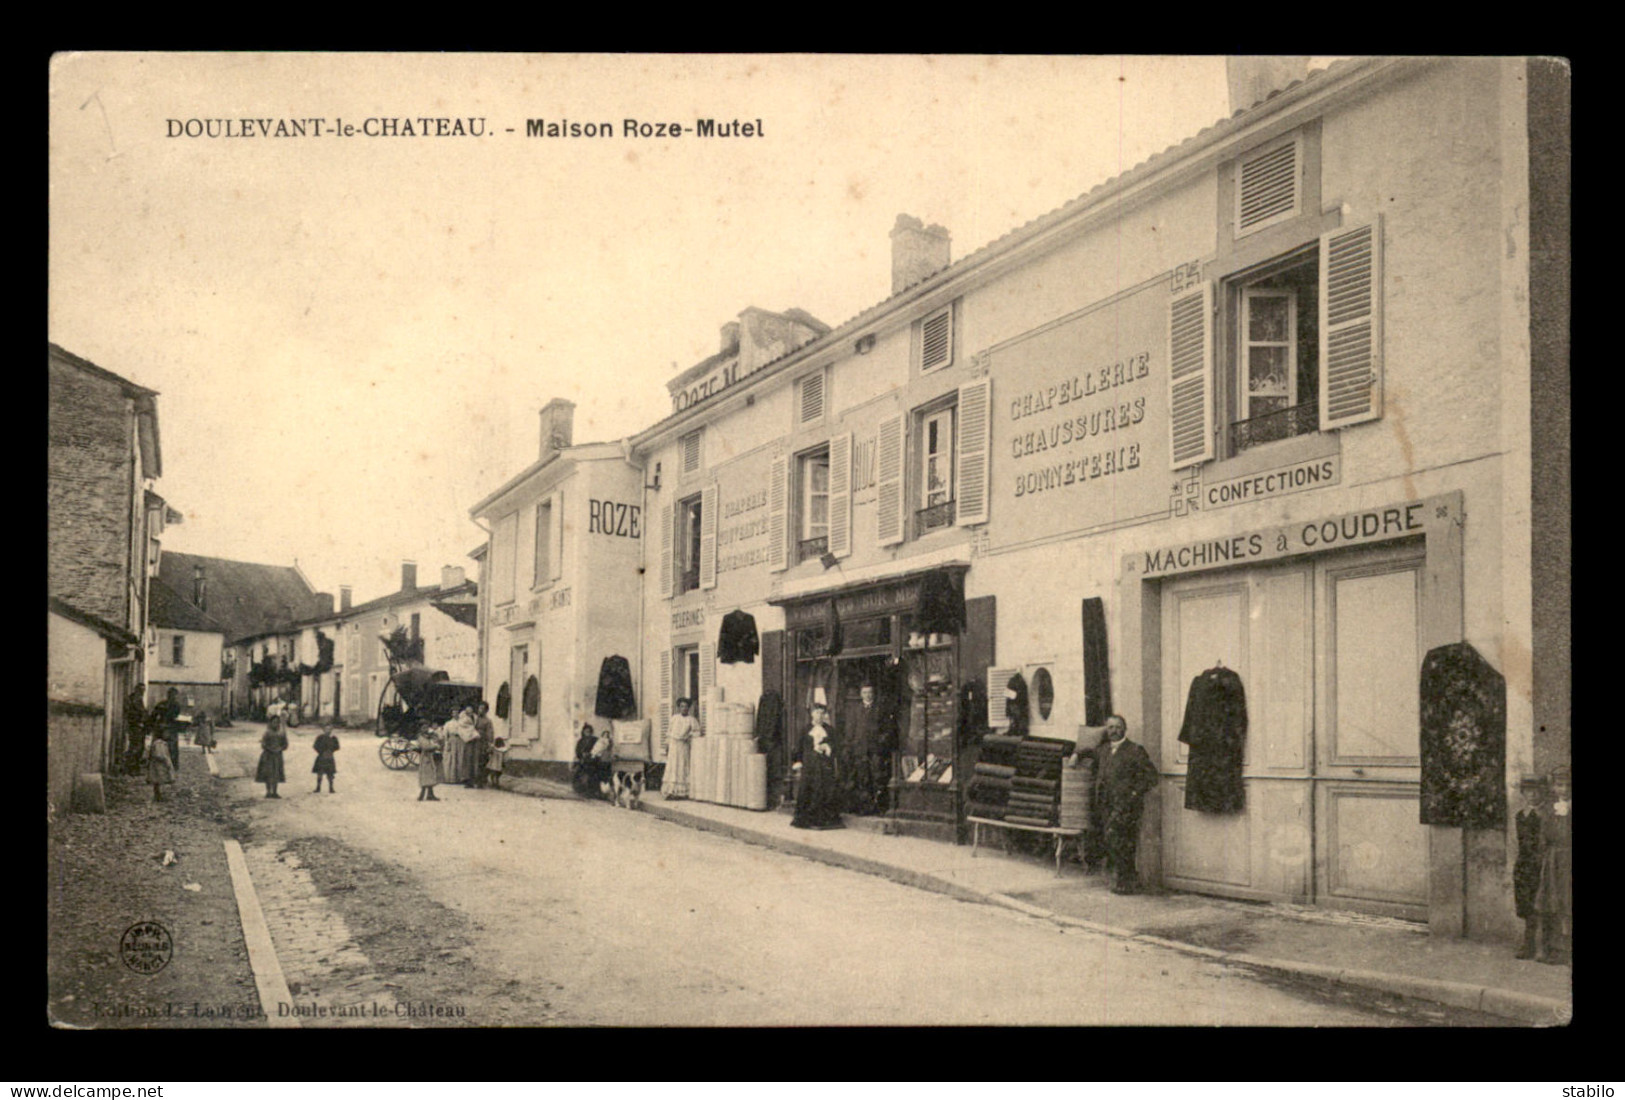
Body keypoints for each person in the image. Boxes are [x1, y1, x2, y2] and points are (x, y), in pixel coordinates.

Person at [1094, 714, 1159, 894]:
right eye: (1110, 727)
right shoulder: (1104, 750)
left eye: (1117, 727)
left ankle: (1127, 883)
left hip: (1127, 806)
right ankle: (1120, 880)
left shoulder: (1135, 750)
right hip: (1107, 805)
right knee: (1112, 842)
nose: (1114, 731)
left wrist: (1133, 794)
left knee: (1125, 843)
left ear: (1125, 729)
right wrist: (1076, 754)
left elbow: (1151, 776)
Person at [791, 703, 844, 830]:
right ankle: (808, 819)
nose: (819, 716)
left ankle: (826, 819)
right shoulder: (805, 730)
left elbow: (837, 746)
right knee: (810, 789)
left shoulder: (830, 730)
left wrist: (827, 747)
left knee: (826, 789)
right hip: (810, 766)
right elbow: (798, 748)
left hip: (825, 766)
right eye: (817, 713)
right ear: (812, 714)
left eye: (822, 713)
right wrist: (798, 762)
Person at [664, 697, 698, 800]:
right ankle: (670, 791)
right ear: (679, 707)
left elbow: (697, 732)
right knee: (673, 766)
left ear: (689, 708)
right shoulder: (674, 718)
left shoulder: (691, 720)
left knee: (682, 766)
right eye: (682, 706)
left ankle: (682, 793)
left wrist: (689, 735)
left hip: (683, 746)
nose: (684, 708)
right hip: (674, 745)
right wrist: (667, 745)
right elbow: (669, 733)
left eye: (686, 706)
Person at [256, 715, 288, 799]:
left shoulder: (281, 733)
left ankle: (275, 792)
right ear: (270, 723)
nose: (276, 724)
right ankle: (268, 791)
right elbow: (263, 744)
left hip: (277, 756)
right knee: (268, 773)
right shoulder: (267, 733)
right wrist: (270, 749)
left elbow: (285, 744)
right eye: (274, 722)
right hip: (268, 756)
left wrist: (280, 748)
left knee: (276, 773)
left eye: (277, 722)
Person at [155, 687, 184, 771]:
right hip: (168, 728)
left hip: (167, 728)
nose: (174, 697)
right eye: (173, 695)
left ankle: (170, 765)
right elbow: (156, 714)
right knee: (165, 747)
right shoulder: (172, 705)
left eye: (175, 695)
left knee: (168, 747)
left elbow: (155, 715)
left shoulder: (168, 704)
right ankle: (169, 765)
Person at [453, 707, 481, 788]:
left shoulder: (475, 718)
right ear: (466, 712)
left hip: (475, 742)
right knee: (467, 761)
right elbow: (464, 727)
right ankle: (467, 780)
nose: (470, 713)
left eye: (471, 711)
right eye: (468, 711)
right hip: (467, 741)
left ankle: (474, 779)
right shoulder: (463, 719)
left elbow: (474, 726)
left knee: (474, 761)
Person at [416, 723, 445, 801]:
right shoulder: (421, 738)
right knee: (426, 776)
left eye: (426, 728)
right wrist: (435, 746)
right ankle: (422, 794)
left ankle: (430, 794)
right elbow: (426, 747)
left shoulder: (428, 736)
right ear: (420, 729)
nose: (425, 729)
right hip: (425, 758)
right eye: (423, 728)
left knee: (431, 775)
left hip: (430, 757)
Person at [146, 731, 175, 802]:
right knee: (160, 779)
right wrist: (166, 760)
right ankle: (158, 795)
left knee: (157, 780)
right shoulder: (159, 744)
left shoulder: (160, 743)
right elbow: (159, 754)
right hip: (160, 764)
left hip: (157, 764)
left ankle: (158, 795)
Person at [473, 702, 496, 788]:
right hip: (474, 741)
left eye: (482, 709)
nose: (480, 710)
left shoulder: (488, 721)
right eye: (479, 708)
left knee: (482, 761)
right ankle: (473, 780)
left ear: (486, 710)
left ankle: (481, 780)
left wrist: (490, 744)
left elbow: (490, 733)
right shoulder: (475, 719)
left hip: (482, 743)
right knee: (473, 761)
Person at [312, 723, 340, 793]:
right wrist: (321, 752)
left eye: (330, 729)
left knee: (330, 773)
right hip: (321, 757)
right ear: (323, 730)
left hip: (330, 757)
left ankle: (331, 788)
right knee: (319, 773)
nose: (328, 731)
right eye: (326, 729)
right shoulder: (320, 738)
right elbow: (315, 746)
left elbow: (337, 747)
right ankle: (318, 787)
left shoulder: (333, 738)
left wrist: (331, 751)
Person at [572, 723, 599, 796]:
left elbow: (598, 749)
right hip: (583, 761)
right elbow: (577, 750)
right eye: (586, 731)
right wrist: (581, 755)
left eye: (589, 731)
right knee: (579, 775)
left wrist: (590, 754)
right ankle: (580, 790)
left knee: (592, 776)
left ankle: (592, 791)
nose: (588, 732)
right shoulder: (581, 741)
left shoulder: (595, 740)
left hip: (592, 761)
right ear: (583, 732)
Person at [591, 724, 616, 800]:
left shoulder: (609, 743)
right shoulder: (599, 742)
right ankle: (601, 792)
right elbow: (596, 749)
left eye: (607, 735)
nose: (605, 736)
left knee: (606, 776)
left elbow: (609, 751)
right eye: (604, 735)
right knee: (601, 776)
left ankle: (605, 792)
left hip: (606, 761)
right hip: (600, 760)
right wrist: (595, 754)